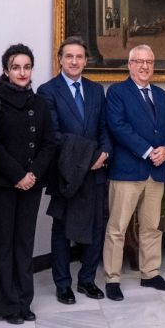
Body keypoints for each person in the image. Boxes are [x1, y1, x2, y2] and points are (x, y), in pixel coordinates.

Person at [37, 37, 111, 304]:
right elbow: (54, 135)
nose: (74, 61)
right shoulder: (47, 91)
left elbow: (105, 128)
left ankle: (87, 280)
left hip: (96, 171)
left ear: (86, 60)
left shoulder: (96, 90)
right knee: (62, 230)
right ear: (60, 59)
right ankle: (63, 284)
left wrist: (104, 153)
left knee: (96, 226)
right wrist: (89, 156)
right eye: (69, 56)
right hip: (66, 172)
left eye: (79, 56)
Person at [0, 44, 57, 324]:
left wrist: (33, 175)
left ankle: (24, 301)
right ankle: (7, 305)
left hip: (32, 184)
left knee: (24, 243)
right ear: (6, 70)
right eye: (16, 67)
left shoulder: (39, 103)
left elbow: (49, 143)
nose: (22, 72)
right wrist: (17, 175)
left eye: (27, 67)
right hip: (3, 185)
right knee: (4, 244)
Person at [102, 45, 165, 301]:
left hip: (156, 172)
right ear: (130, 64)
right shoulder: (117, 92)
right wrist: (148, 151)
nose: (145, 66)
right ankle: (112, 278)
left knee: (151, 227)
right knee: (117, 228)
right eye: (139, 61)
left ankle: (150, 273)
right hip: (127, 172)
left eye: (149, 62)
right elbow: (118, 126)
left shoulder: (162, 95)